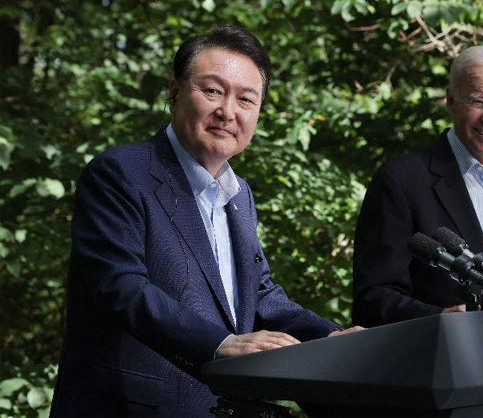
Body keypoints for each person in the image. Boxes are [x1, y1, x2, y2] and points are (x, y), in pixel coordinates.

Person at [51, 26, 360, 417]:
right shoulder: (120, 173)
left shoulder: (239, 196)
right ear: (175, 93)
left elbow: (259, 294)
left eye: (246, 99)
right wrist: (221, 343)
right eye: (212, 91)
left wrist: (330, 336)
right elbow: (120, 286)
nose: (228, 111)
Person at [352, 45, 483, 327]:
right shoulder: (401, 182)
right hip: (438, 362)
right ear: (450, 100)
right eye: (478, 101)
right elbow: (372, 298)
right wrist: (441, 321)